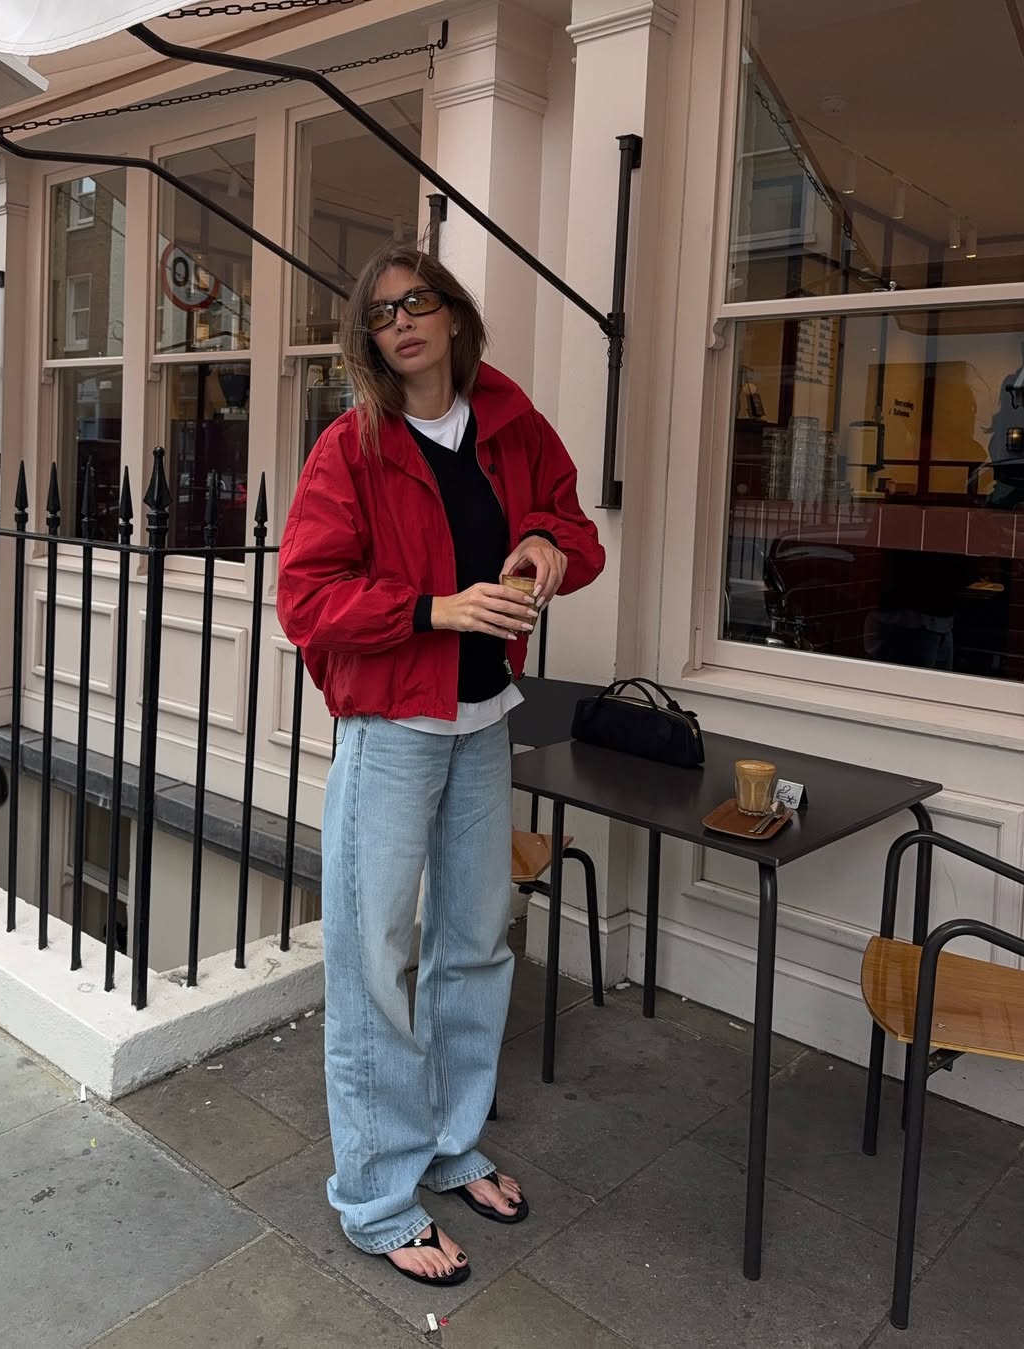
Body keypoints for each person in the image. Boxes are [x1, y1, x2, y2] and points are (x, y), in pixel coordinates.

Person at [277, 243, 605, 1286]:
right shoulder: (352, 446)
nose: (403, 321)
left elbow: (572, 523)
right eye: (382, 312)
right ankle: (376, 1193)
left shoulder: (507, 422)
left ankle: (453, 1144)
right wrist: (435, 607)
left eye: (418, 301)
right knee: (377, 958)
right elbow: (306, 596)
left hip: (482, 715)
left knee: (476, 940)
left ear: (453, 315)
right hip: (393, 726)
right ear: (368, 338)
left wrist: (548, 546)